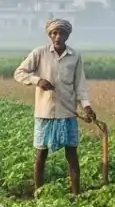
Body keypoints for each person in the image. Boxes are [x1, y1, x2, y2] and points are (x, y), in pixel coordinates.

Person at [13, 19, 96, 196]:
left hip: (67, 112)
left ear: (67, 35)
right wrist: (38, 81)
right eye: (54, 33)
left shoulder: (75, 56)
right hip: (44, 113)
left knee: (72, 155)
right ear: (49, 35)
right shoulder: (40, 53)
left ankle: (75, 194)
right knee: (41, 155)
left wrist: (87, 107)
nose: (57, 36)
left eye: (61, 33)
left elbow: (80, 85)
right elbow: (19, 73)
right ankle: (39, 192)